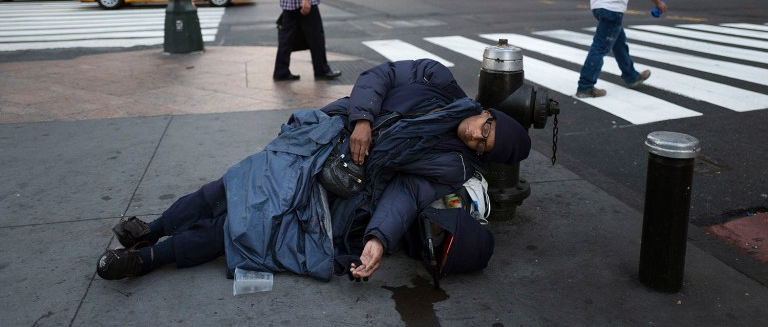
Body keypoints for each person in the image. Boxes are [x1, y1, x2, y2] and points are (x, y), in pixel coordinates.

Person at [96, 59, 531, 283]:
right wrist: (363, 119)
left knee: (247, 224)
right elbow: (377, 76)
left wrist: (378, 240)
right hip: (321, 139)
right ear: (487, 113)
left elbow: (407, 194)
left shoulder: (453, 165)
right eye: (483, 130)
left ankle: (145, 260)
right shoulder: (436, 79)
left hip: (341, 189)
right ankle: (151, 229)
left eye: (483, 147)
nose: (475, 138)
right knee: (229, 188)